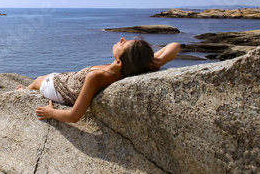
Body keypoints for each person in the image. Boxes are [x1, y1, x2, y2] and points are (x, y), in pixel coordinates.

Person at [16, 37, 180, 123]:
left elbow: (74, 116)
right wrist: (161, 60)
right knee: (47, 77)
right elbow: (175, 45)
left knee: (38, 80)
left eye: (123, 44)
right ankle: (25, 90)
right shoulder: (136, 66)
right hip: (68, 79)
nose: (121, 39)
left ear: (118, 62)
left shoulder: (97, 76)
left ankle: (23, 92)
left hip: (57, 87)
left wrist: (51, 112)